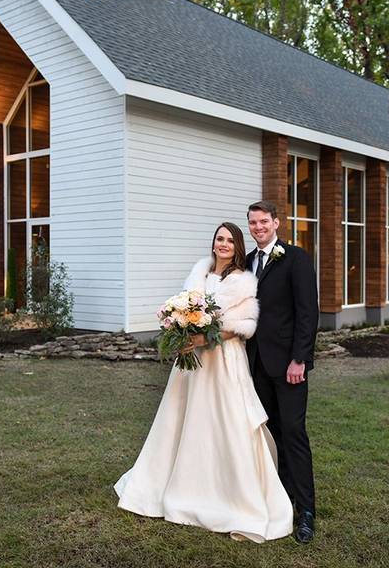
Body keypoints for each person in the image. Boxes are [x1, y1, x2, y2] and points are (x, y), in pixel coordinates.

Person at [114, 222, 293, 543]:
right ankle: (172, 484)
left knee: (226, 421)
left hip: (224, 362)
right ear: (213, 243)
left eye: (229, 241)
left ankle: (234, 496)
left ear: (238, 247)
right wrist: (181, 332)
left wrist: (201, 337)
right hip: (193, 365)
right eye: (219, 239)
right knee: (183, 420)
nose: (223, 244)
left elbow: (244, 325)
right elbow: (186, 310)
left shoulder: (243, 281)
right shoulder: (198, 274)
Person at [244, 200, 318, 544]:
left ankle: (306, 511)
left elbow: (307, 313)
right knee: (270, 434)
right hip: (256, 363)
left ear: (277, 223)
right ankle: (279, 497)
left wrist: (299, 359)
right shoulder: (247, 263)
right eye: (253, 223)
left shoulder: (296, 258)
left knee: (293, 433)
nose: (258, 227)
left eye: (263, 222)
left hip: (289, 365)